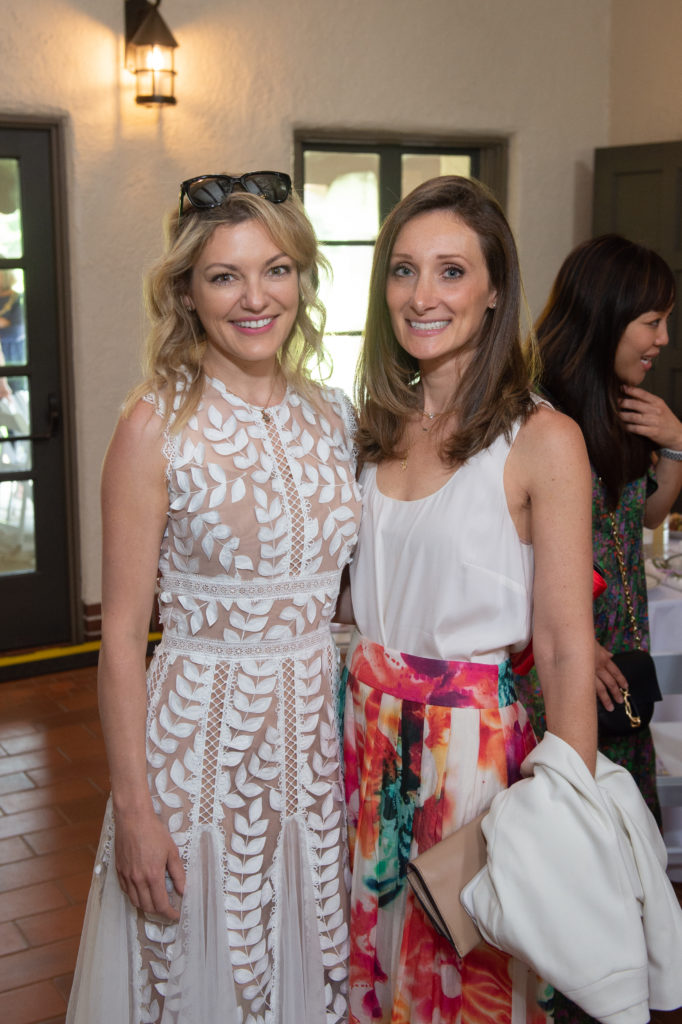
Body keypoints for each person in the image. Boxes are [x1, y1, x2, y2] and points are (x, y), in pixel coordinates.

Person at [67, 172, 361, 1024]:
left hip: (315, 749)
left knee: (306, 963)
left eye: (276, 269)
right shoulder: (154, 425)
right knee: (204, 974)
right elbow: (120, 634)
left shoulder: (335, 417)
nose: (255, 297)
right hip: (200, 756)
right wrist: (134, 808)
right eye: (225, 276)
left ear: (302, 279)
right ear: (188, 294)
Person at [337, 175, 597, 1024]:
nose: (422, 296)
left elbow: (563, 645)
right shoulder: (371, 427)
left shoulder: (542, 439)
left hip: (471, 765)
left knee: (466, 991)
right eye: (404, 271)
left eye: (452, 272)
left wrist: (569, 814)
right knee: (365, 980)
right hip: (361, 748)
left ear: (494, 293)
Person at [514, 233, 682, 1024]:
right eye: (652, 319)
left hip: (622, 663)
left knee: (620, 852)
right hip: (562, 670)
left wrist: (674, 444)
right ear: (608, 314)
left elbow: (636, 517)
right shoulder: (535, 416)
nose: (663, 339)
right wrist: (580, 646)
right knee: (566, 858)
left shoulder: (618, 410)